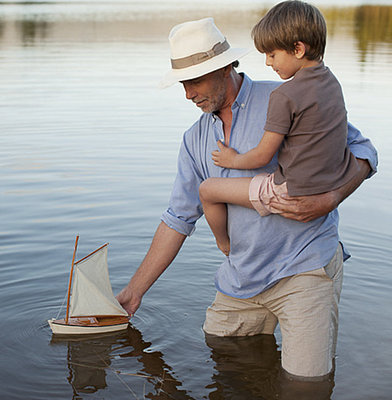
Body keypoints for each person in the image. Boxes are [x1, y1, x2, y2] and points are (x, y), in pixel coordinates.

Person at [116, 14, 378, 380]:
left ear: (225, 68)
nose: (188, 94)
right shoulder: (194, 141)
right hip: (241, 279)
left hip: (304, 268)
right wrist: (133, 292)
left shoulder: (287, 97)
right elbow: (178, 218)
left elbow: (364, 151)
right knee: (225, 362)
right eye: (182, 84)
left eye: (194, 81)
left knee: (307, 385)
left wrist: (331, 197)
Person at [198, 1, 359, 257]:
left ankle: (225, 247)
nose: (268, 63)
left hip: (290, 191)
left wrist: (233, 159)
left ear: (297, 49)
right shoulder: (332, 83)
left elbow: (262, 155)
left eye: (272, 54)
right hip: (329, 182)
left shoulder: (284, 95)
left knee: (207, 190)